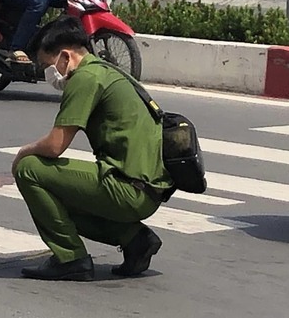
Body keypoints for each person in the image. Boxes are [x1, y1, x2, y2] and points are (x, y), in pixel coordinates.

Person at [11, 16, 173, 281]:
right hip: (148, 189)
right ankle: (135, 239)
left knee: (30, 169)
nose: (47, 74)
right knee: (57, 196)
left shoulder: (85, 78)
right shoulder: (107, 71)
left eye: (47, 65)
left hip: (128, 190)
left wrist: (21, 153)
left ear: (65, 56)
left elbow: (54, 146)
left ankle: (70, 258)